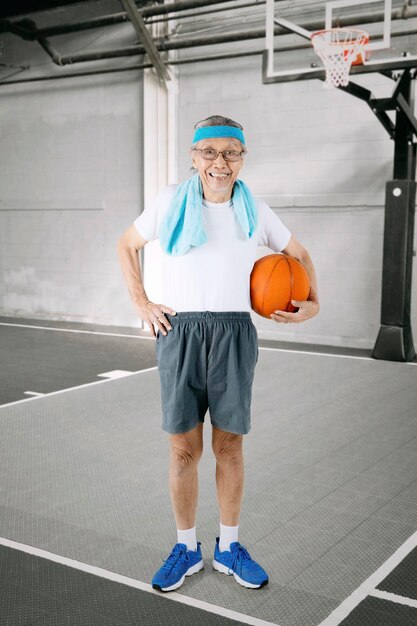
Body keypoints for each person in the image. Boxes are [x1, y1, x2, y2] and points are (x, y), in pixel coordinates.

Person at [117, 115, 319, 593]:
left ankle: (229, 547)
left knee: (230, 446)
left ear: (242, 159)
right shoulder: (169, 201)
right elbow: (127, 245)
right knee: (184, 450)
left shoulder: (256, 210)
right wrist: (142, 302)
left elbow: (301, 255)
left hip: (234, 333)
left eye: (231, 152)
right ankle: (186, 548)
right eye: (210, 152)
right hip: (180, 332)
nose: (220, 162)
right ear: (193, 157)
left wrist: (316, 302)